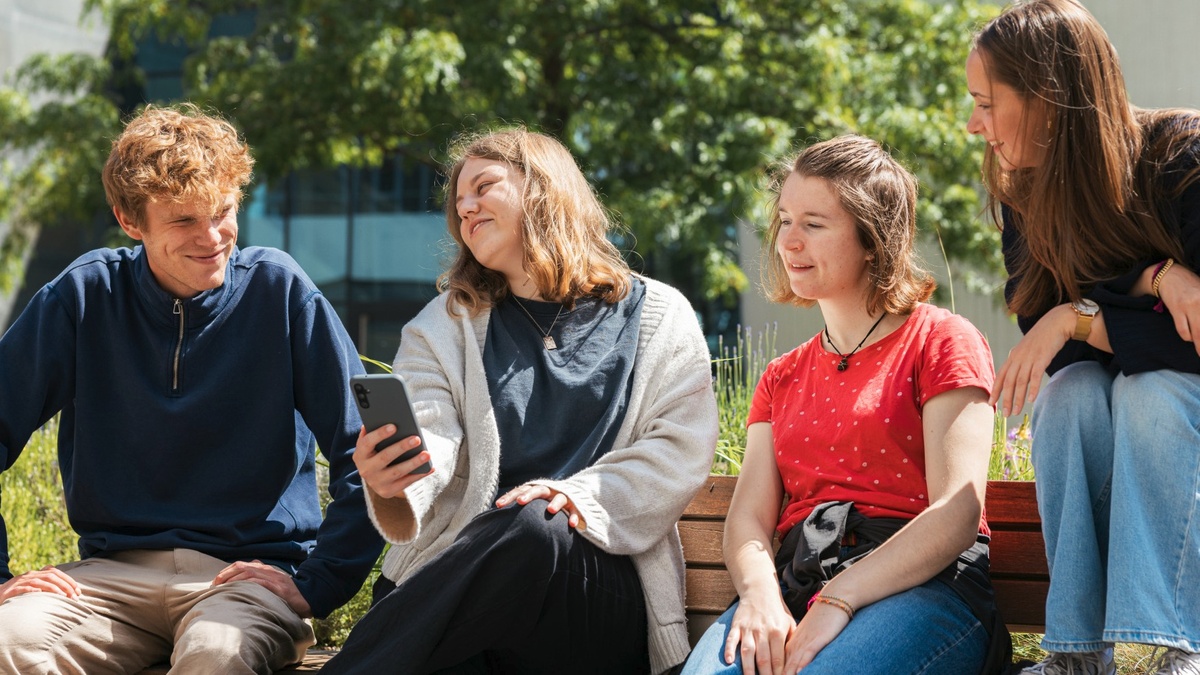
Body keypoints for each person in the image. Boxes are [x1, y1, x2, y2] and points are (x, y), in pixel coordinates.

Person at [0, 105, 384, 674]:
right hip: (107, 582)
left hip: (242, 581)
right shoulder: (82, 297)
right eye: (184, 222)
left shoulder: (280, 293)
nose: (213, 238)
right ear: (132, 221)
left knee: (215, 655)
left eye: (224, 213)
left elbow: (370, 451)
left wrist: (318, 582)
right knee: (10, 642)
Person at [321, 128, 718, 675]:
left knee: (538, 522)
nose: (466, 208)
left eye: (483, 187)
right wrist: (396, 477)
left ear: (544, 189)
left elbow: (679, 450)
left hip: (592, 597)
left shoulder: (661, 317)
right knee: (524, 531)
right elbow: (431, 436)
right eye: (459, 203)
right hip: (462, 597)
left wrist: (575, 497)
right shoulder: (443, 328)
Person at [681, 135, 1008, 675]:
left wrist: (841, 597)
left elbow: (957, 513)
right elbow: (749, 518)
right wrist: (761, 596)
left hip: (923, 588)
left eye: (813, 224)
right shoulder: (780, 376)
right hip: (796, 582)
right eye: (784, 220)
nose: (788, 241)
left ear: (873, 240)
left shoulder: (942, 340)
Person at [965, 1, 1200, 673]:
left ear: (1047, 99)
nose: (974, 124)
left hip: (1180, 422)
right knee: (1068, 392)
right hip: (1140, 412)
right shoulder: (1025, 197)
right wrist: (1153, 280)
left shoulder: (1184, 160)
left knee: (1150, 393)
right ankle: (1074, 653)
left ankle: (1182, 645)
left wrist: (1081, 313)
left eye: (986, 103)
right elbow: (1059, 350)